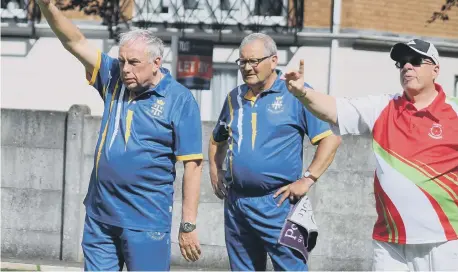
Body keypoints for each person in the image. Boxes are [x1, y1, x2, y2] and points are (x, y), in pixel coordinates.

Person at [35, 0, 204, 270]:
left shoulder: (180, 100)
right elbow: (75, 42)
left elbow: (193, 165)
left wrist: (188, 224)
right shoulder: (114, 77)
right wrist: (48, 8)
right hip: (101, 216)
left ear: (156, 62)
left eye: (134, 63)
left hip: (146, 221)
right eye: (122, 60)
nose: (125, 68)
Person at [283, 38, 458, 271]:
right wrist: (302, 92)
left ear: (435, 69)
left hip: (444, 240)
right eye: (402, 63)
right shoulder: (382, 106)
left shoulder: (454, 111)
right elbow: (334, 110)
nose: (407, 67)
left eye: (415, 61)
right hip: (390, 242)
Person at [208, 33, 341, 271]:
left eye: (254, 61)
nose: (247, 68)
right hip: (237, 203)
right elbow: (217, 139)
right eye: (242, 62)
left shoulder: (295, 93)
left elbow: (331, 139)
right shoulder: (234, 98)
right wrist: (215, 170)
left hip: (278, 203)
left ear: (274, 60)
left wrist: (307, 179)